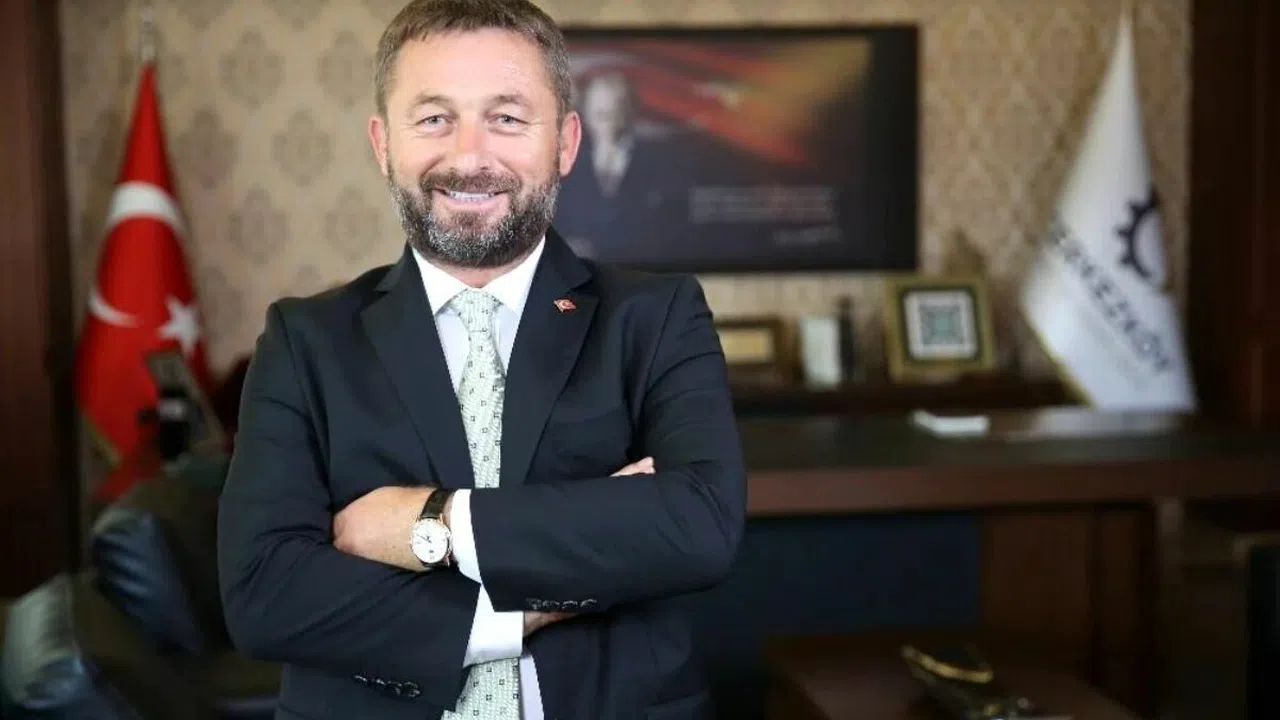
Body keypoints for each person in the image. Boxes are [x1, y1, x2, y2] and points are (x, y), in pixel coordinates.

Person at [215, 1, 746, 719]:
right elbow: (264, 596)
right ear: (382, 144)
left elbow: (699, 528)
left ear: (565, 143)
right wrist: (530, 600)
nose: (469, 157)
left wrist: (430, 523)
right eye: (434, 118)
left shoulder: (656, 318)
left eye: (507, 118)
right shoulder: (303, 340)